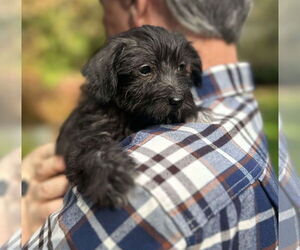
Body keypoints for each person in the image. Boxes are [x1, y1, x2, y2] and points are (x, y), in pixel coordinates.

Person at [22, 0, 279, 249]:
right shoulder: (245, 117)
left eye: (181, 68)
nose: (176, 91)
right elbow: (89, 148)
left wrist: (15, 217)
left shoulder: (152, 183)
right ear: (109, 79)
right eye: (146, 70)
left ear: (138, 6)